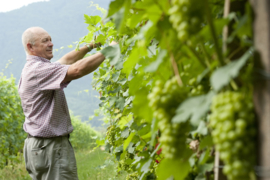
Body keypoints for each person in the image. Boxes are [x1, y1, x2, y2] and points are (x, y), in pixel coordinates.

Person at [18, 26, 117, 180]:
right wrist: (110, 49)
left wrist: (92, 45)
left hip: (40, 146)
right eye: (45, 41)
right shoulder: (38, 70)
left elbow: (66, 60)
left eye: (50, 39)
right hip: (50, 147)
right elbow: (77, 70)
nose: (51, 44)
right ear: (31, 47)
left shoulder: (37, 68)